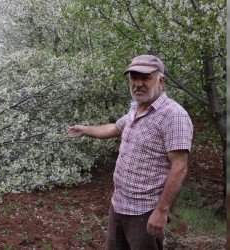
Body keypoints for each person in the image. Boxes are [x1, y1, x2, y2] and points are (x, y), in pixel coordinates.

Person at [67, 55, 193, 250]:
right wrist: (85, 129)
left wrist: (161, 212)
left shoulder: (174, 115)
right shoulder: (136, 107)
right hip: (119, 205)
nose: (138, 83)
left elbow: (180, 167)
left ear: (160, 81)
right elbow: (115, 129)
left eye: (145, 78)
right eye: (134, 77)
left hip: (145, 212)